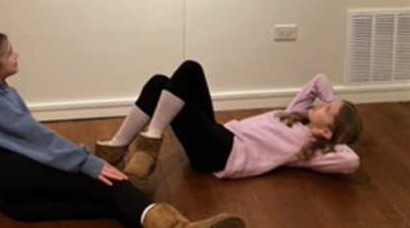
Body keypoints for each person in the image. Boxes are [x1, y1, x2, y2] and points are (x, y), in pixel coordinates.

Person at [0, 33, 250, 228]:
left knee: (111, 204)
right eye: (10, 53)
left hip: (11, 195)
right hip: (4, 172)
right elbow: (34, 137)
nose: (16, 55)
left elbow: (28, 140)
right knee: (108, 181)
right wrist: (84, 161)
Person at [95, 60, 362, 182]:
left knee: (181, 76)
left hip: (222, 155)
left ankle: (150, 143)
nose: (321, 104)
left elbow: (351, 161)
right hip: (221, 135)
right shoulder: (297, 116)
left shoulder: (310, 151)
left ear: (327, 133)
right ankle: (117, 146)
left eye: (327, 110)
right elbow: (319, 81)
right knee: (169, 79)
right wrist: (335, 109)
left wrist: (337, 137)